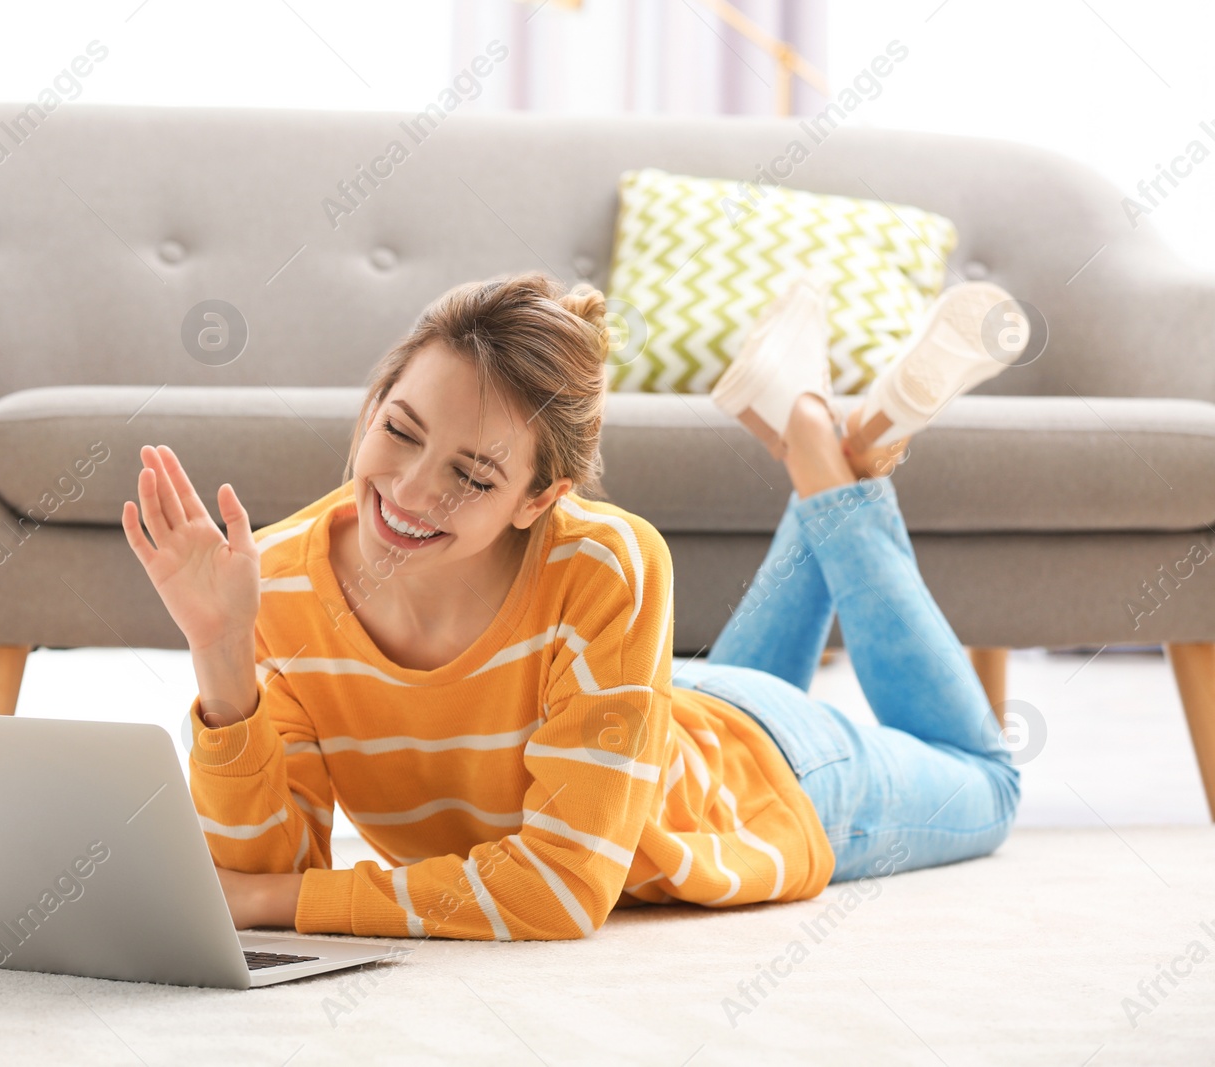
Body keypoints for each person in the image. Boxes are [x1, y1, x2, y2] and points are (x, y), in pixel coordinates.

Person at [120, 269, 1025, 941]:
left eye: (472, 475)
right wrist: (222, 652)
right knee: (694, 701)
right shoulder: (270, 579)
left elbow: (556, 889)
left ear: (538, 500)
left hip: (760, 775)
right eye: (398, 429)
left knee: (988, 778)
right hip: (644, 717)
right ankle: (825, 437)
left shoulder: (609, 562)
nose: (409, 491)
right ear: (372, 405)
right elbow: (256, 873)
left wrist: (279, 903)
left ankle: (821, 440)